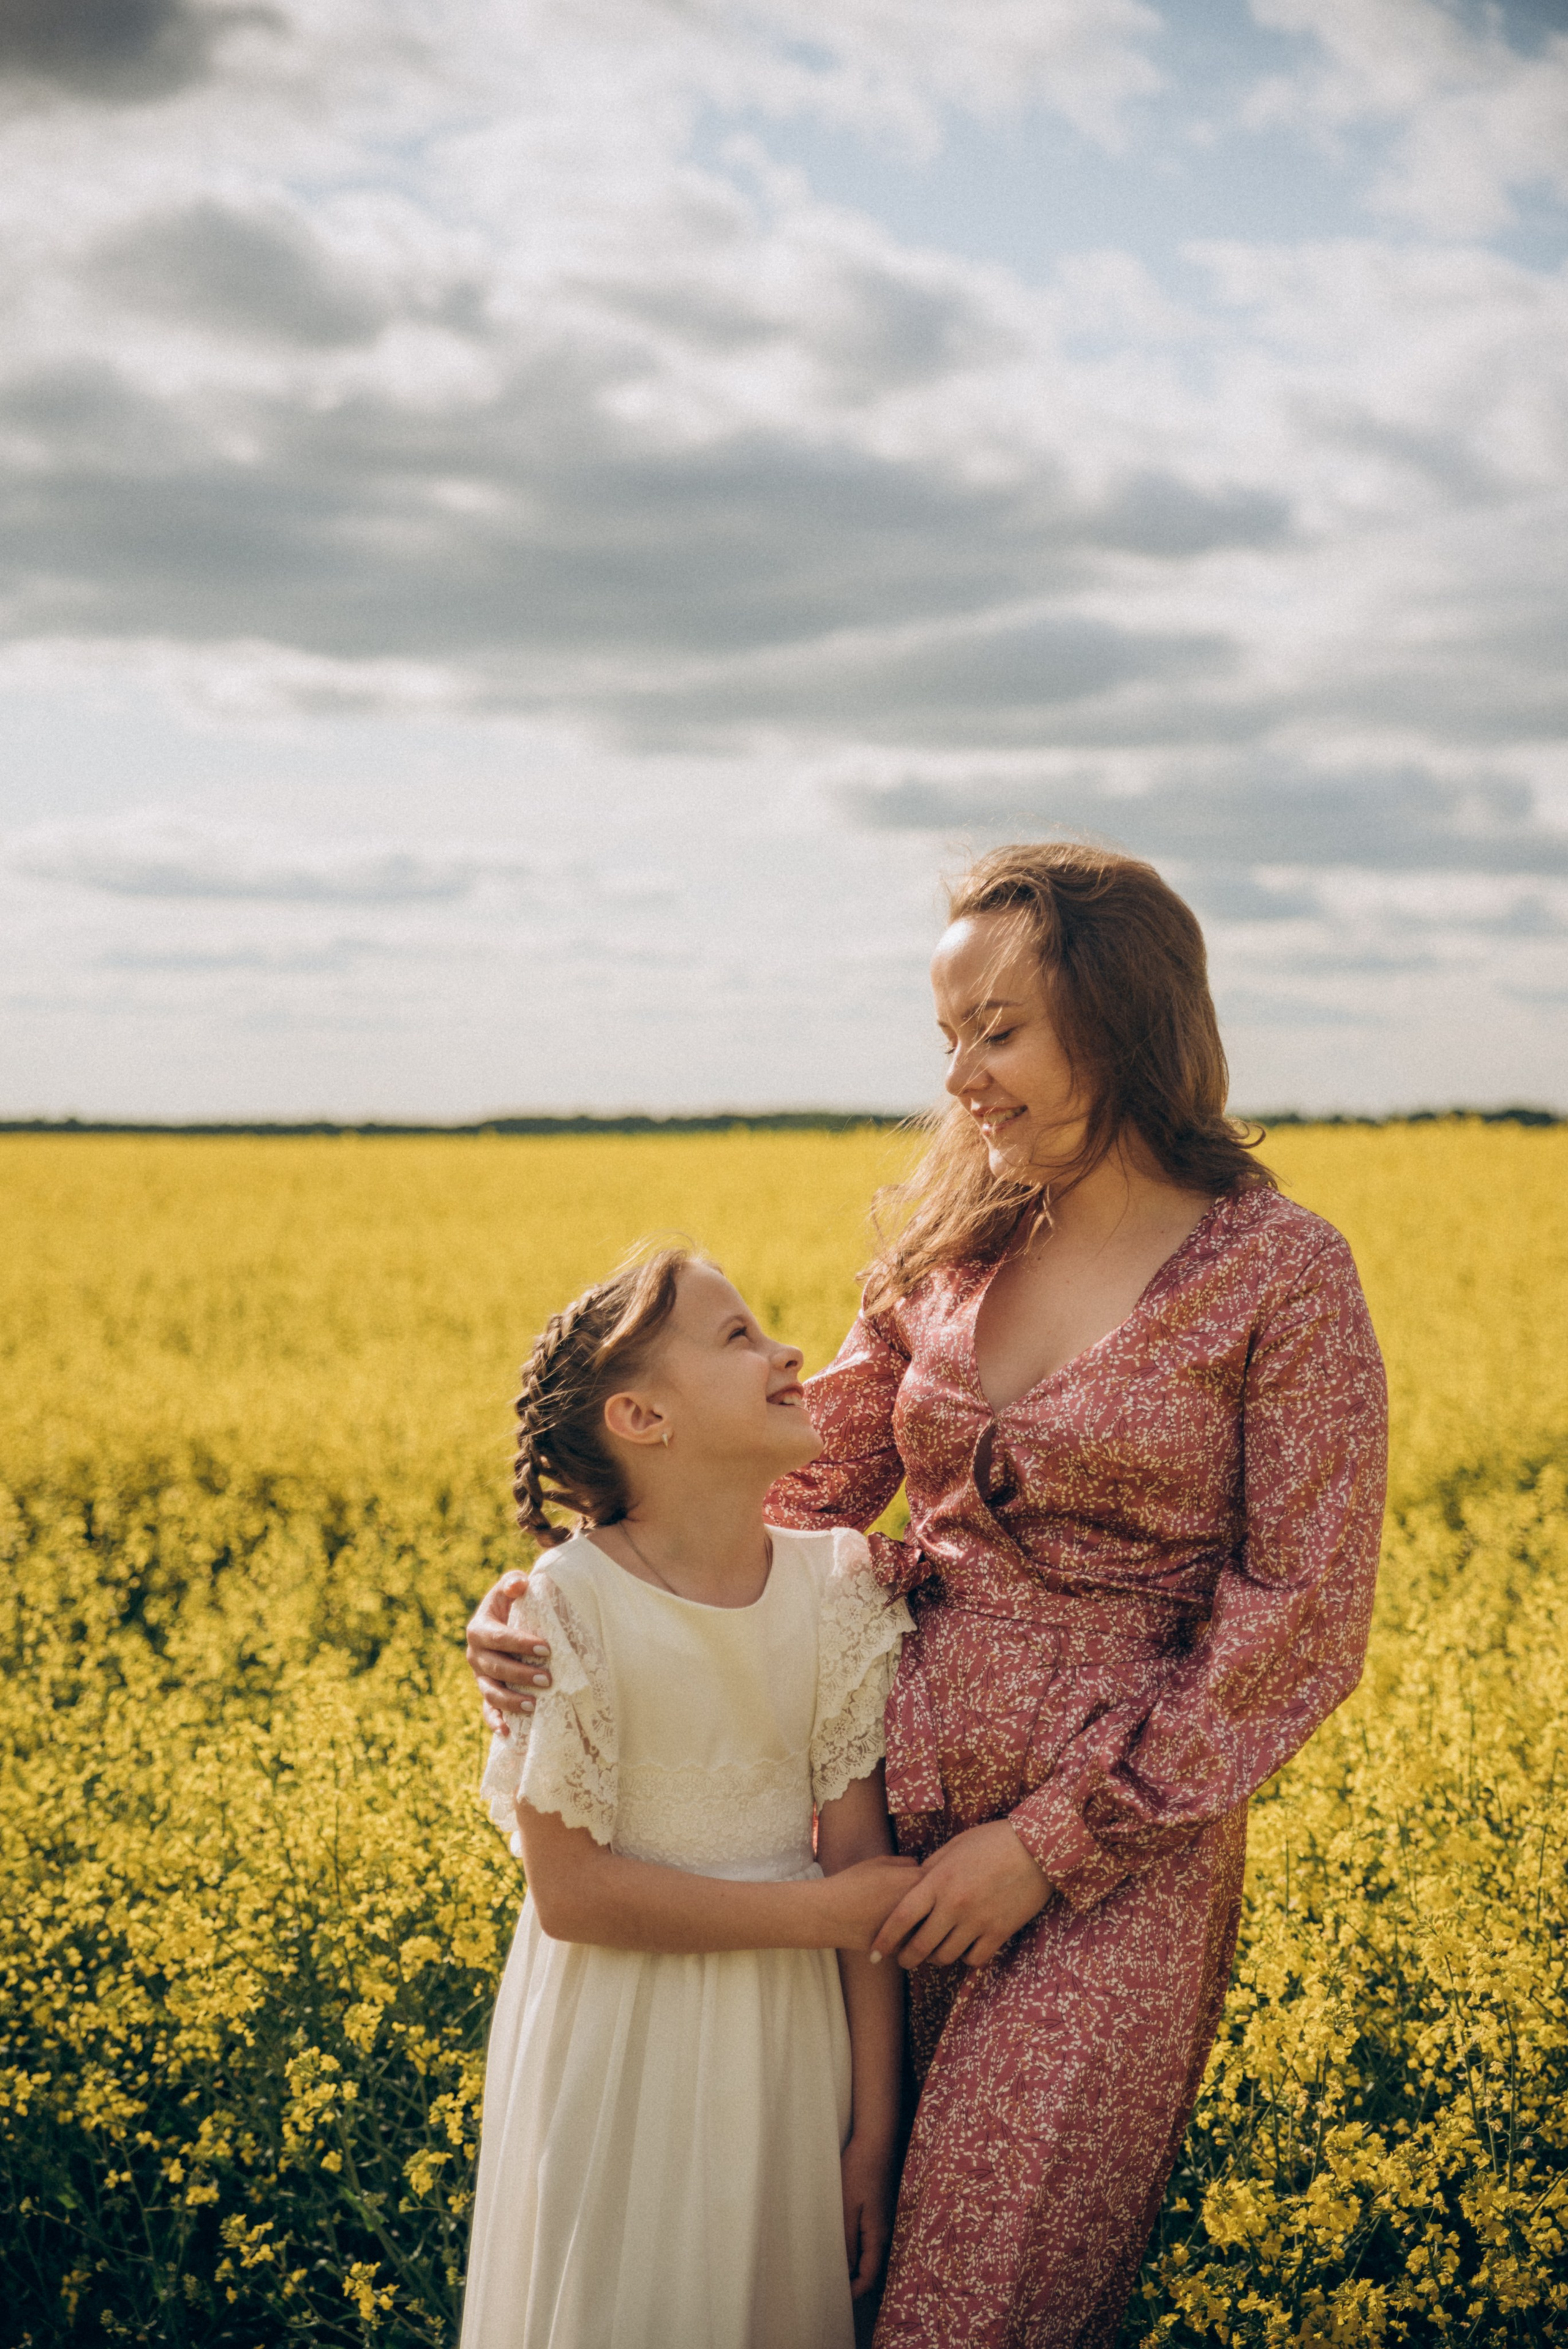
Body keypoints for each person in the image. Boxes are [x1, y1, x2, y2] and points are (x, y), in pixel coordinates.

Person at [468, 842, 1389, 2348]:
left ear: (1123, 1018)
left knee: (976, 2304)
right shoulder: (951, 1251)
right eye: (947, 1034)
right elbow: (781, 1490)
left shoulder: (1278, 1276)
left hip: (1103, 1873)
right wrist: (560, 1598)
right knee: (833, 2278)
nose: (960, 1075)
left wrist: (1044, 1848)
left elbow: (1298, 1618)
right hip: (861, 1838)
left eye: (998, 1030)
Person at [460, 1244, 914, 2349]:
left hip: (787, 2051)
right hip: (619, 2044)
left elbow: (859, 1863)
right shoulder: (563, 1605)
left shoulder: (840, 1584)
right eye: (738, 1337)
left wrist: (875, 2136)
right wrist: (816, 1915)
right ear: (643, 1418)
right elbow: (571, 1895)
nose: (788, 1349)